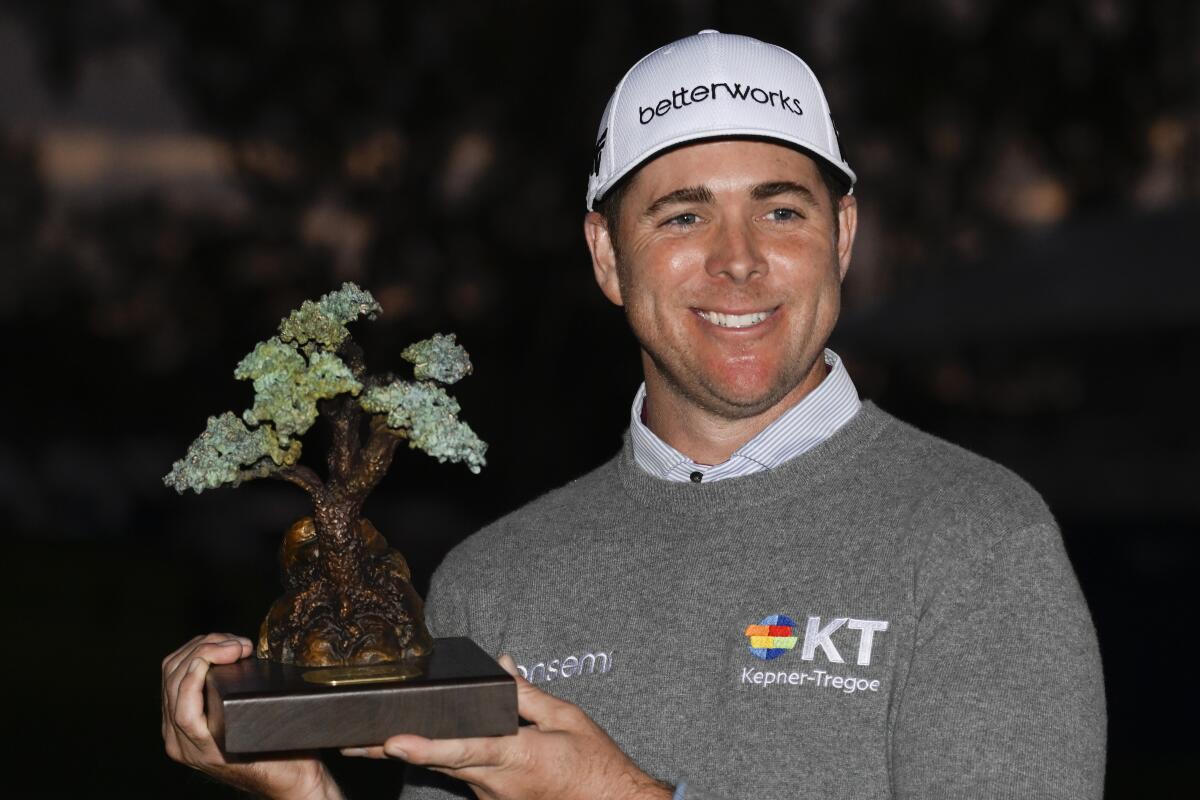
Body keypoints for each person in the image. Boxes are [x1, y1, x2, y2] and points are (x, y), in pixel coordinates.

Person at [161, 31, 1106, 800]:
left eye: (781, 212)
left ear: (844, 236)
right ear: (607, 256)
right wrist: (304, 793)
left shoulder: (981, 543)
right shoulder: (494, 584)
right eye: (682, 217)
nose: (738, 261)